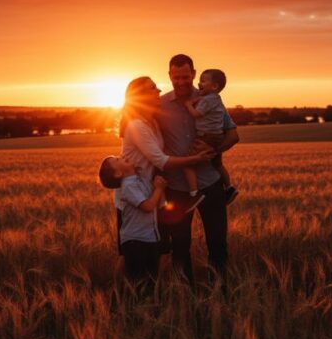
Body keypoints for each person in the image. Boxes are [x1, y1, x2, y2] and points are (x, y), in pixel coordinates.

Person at [101, 76, 215, 289]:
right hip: (135, 197)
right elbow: (161, 160)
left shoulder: (151, 122)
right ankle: (120, 299)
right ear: (141, 97)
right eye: (152, 88)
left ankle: (139, 296)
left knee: (150, 251)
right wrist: (196, 160)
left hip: (149, 193)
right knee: (132, 254)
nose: (158, 90)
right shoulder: (137, 126)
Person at [157, 54, 240, 286]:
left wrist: (215, 150)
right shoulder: (160, 105)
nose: (181, 82)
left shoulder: (211, 99)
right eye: (176, 77)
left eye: (185, 76)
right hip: (176, 188)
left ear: (193, 74)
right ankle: (186, 298)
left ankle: (221, 295)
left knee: (217, 243)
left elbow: (234, 135)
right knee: (180, 246)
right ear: (169, 76)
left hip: (210, 184)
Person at [98, 156, 168, 290]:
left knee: (151, 282)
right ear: (118, 173)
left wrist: (158, 188)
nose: (122, 157)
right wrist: (159, 189)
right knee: (137, 283)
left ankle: (147, 307)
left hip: (150, 238)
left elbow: (155, 201)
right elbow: (147, 207)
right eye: (118, 160)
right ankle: (133, 308)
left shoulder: (140, 179)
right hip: (136, 242)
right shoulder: (128, 187)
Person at [181, 68, 238, 205]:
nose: (199, 83)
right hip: (216, 137)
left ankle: (194, 194)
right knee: (217, 164)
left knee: (187, 163)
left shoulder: (206, 101)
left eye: (203, 81)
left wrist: (188, 105)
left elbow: (196, 114)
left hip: (206, 138)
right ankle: (229, 187)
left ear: (214, 86)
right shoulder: (217, 99)